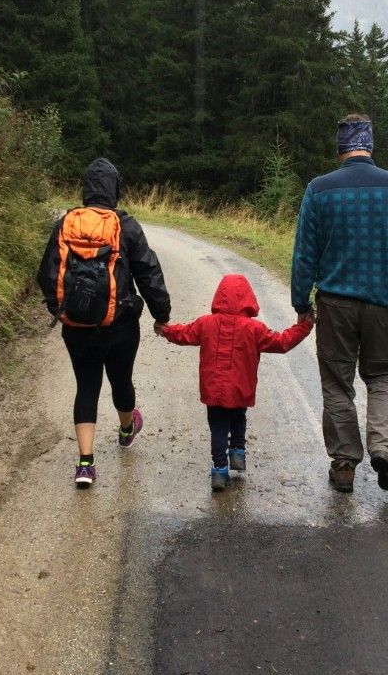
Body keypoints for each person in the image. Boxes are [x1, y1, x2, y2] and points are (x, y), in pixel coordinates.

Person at [290, 114, 388, 494]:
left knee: (337, 384)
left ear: (340, 147)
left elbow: (304, 256)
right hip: (384, 304)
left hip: (336, 306)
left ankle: (343, 465)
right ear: (370, 144)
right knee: (385, 376)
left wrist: (300, 302)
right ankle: (384, 450)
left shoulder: (318, 191)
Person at [37, 158, 171, 488]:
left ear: (85, 189)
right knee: (121, 380)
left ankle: (85, 464)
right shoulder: (125, 225)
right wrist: (161, 314)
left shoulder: (65, 223)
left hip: (76, 327)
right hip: (120, 325)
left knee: (87, 386)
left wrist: (62, 309)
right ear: (114, 189)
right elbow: (148, 272)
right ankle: (127, 429)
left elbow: (47, 274)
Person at [160, 273, 313, 491]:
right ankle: (238, 452)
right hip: (241, 388)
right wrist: (303, 327)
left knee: (218, 427)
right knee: (238, 416)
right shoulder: (255, 329)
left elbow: (184, 334)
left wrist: (166, 330)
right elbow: (281, 342)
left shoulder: (206, 323)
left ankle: (219, 470)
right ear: (248, 299)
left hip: (213, 390)